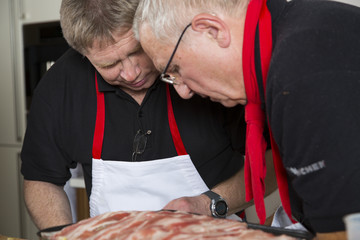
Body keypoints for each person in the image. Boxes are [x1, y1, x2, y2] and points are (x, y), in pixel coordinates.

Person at [20, 0, 278, 231]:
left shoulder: (201, 68)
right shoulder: (61, 85)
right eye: (109, 65)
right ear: (85, 56)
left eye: (136, 51)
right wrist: (62, 235)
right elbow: (42, 179)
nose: (131, 74)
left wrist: (208, 203)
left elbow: (274, 161)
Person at [133, 0, 360, 239]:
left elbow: (344, 229)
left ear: (212, 30)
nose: (183, 92)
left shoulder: (300, 68)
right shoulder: (293, 32)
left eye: (174, 69)